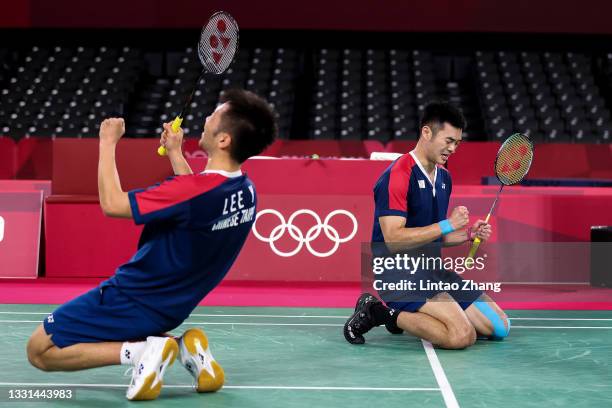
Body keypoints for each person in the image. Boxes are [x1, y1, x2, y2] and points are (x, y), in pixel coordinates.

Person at [26, 89, 277, 400]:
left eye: (214, 116)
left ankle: (142, 352)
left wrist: (107, 142)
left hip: (131, 296)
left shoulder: (190, 191)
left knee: (39, 350)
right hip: (173, 308)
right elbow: (196, 200)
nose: (207, 118)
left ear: (223, 140)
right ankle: (188, 351)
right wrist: (175, 152)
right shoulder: (247, 191)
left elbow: (112, 204)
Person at [344, 101, 510, 349]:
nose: (453, 149)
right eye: (448, 140)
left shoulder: (444, 177)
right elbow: (393, 238)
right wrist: (447, 224)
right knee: (461, 336)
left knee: (499, 327)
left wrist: (466, 235)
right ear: (426, 132)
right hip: (398, 273)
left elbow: (432, 236)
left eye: (457, 143)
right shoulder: (397, 175)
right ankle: (378, 312)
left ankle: (415, 314)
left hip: (433, 271)